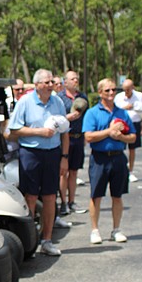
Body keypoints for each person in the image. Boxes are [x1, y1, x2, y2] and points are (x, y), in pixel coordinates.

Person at [7, 69, 69, 257]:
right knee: (31, 197)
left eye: (52, 82)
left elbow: (65, 130)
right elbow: (14, 129)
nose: (51, 86)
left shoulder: (57, 102)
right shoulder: (25, 102)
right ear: (37, 85)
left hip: (52, 153)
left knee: (50, 197)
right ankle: (30, 243)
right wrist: (39, 132)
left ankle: (47, 240)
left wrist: (64, 157)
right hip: (30, 153)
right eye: (47, 83)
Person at [83, 78, 136, 245]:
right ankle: (95, 230)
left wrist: (120, 136)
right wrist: (109, 131)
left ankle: (116, 229)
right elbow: (89, 136)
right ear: (100, 93)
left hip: (118, 157)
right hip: (99, 158)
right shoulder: (92, 113)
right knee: (96, 195)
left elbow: (133, 136)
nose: (111, 93)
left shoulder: (122, 113)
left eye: (114, 90)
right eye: (107, 90)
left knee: (117, 196)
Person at [57, 70, 88, 215]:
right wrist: (68, 117)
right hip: (65, 137)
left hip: (78, 137)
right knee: (64, 172)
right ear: (65, 82)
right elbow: (56, 118)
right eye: (72, 79)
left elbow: (86, 118)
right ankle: (63, 202)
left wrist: (86, 135)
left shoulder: (82, 97)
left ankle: (71, 201)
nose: (75, 81)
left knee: (74, 171)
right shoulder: (59, 98)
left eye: (77, 78)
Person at [114, 79, 142, 182]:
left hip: (135, 123)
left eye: (128, 89)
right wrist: (125, 108)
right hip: (122, 124)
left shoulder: (139, 96)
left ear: (133, 88)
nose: (126, 92)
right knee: (120, 148)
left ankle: (130, 171)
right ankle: (120, 170)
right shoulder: (119, 97)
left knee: (132, 149)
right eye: (125, 89)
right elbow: (114, 110)